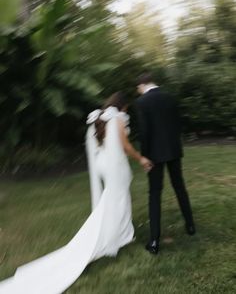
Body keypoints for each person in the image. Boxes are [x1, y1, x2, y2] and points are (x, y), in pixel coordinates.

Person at [0, 92, 152, 294]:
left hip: (104, 164)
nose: (126, 110)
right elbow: (125, 146)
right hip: (115, 166)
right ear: (122, 105)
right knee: (117, 200)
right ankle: (116, 235)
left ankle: (120, 233)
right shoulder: (116, 119)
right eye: (126, 107)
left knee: (114, 199)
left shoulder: (99, 117)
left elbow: (100, 145)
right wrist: (140, 158)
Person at [136, 72, 195, 255]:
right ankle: (190, 225)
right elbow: (178, 124)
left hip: (154, 154)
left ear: (141, 85)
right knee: (179, 187)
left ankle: (154, 241)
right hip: (173, 151)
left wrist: (145, 156)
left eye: (138, 89)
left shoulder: (141, 102)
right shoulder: (170, 97)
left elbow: (144, 134)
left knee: (155, 193)